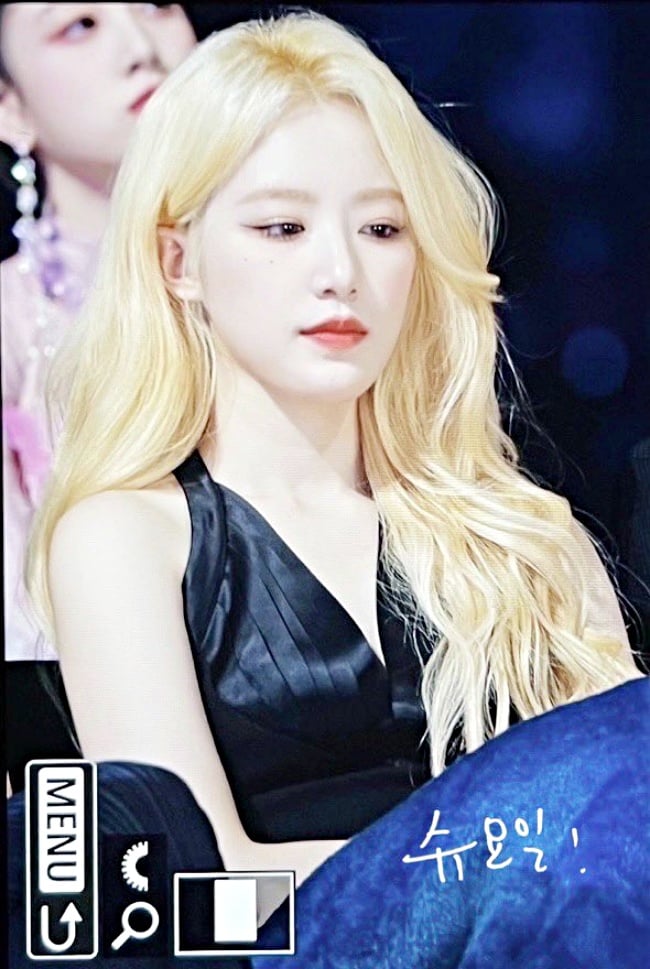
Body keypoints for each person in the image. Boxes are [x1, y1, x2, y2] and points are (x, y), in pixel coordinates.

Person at [25, 9, 640, 898]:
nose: (341, 272)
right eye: (282, 228)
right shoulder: (126, 539)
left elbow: (623, 831)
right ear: (178, 262)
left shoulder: (522, 538)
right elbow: (184, 888)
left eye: (382, 229)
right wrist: (473, 880)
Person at [0, 2, 197, 788]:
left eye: (156, 4)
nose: (140, 46)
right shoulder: (14, 320)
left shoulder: (301, 275)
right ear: (9, 107)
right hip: (91, 752)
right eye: (78, 25)